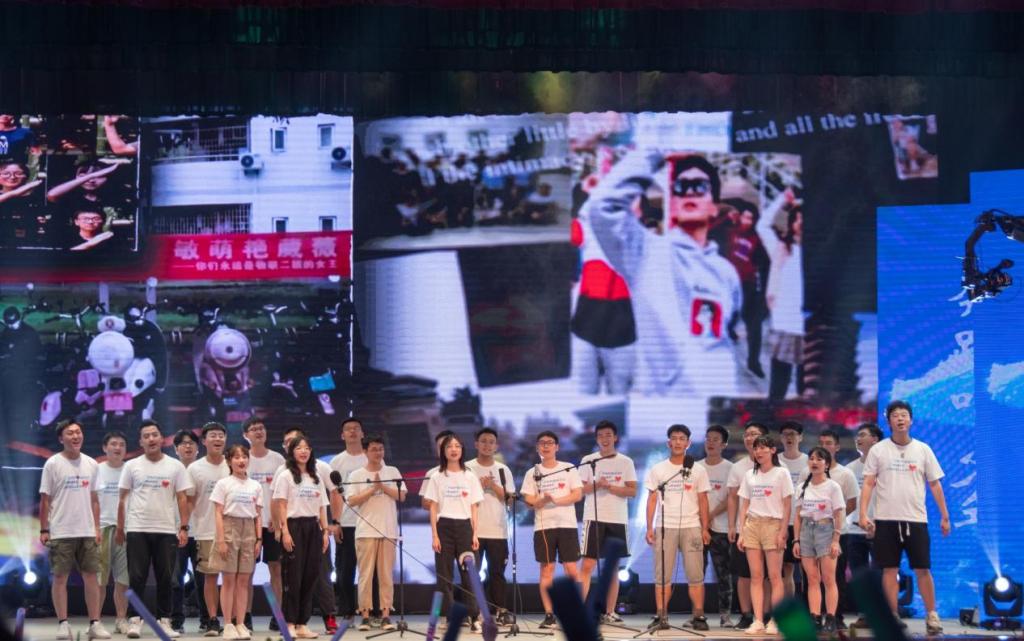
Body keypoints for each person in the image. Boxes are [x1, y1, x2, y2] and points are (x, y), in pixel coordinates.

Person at [584, 150, 743, 397]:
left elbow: (727, 332)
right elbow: (602, 207)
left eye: (700, 186)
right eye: (681, 187)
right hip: (666, 405)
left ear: (714, 208)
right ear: (673, 204)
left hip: (718, 404)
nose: (690, 192)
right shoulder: (644, 252)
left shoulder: (727, 272)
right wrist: (654, 151)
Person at [859, 400, 950, 636]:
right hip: (886, 519)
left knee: (923, 569)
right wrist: (863, 514)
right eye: (895, 415)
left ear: (910, 420)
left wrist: (945, 516)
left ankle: (932, 615)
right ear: (888, 421)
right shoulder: (879, 450)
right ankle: (893, 616)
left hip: (916, 520)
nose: (900, 419)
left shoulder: (923, 449)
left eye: (904, 415)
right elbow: (868, 483)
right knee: (889, 570)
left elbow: (935, 484)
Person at [117, 420, 192, 639]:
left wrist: (184, 527)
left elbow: (182, 498)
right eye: (146, 436)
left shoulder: (175, 466)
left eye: (154, 434)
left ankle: (164, 621)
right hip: (137, 528)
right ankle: (135, 620)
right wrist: (121, 528)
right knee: (136, 577)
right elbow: (122, 499)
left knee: (166, 578)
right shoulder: (132, 466)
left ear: (162, 438)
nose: (151, 439)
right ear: (140, 441)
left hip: (166, 530)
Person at [39, 419, 109, 641]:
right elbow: (45, 499)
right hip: (61, 530)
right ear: (61, 438)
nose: (76, 436)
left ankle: (95, 623)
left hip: (87, 531)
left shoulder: (91, 464)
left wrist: (97, 527)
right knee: (60, 577)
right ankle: (63, 624)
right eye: (70, 433)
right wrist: (44, 529)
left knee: (92, 577)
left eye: (78, 432)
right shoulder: (52, 464)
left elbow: (95, 499)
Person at [644, 424, 711, 631]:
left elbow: (703, 500)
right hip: (665, 526)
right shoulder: (659, 469)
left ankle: (698, 615)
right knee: (662, 575)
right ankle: (661, 615)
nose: (678, 442)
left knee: (695, 575)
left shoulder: (698, 470)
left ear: (688, 443)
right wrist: (649, 528)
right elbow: (652, 499)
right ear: (668, 443)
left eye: (682, 438)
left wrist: (705, 528)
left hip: (692, 526)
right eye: (674, 438)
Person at [276, 428, 341, 634]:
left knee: (311, 576)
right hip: (294, 526)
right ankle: (289, 623)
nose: (303, 451)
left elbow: (322, 506)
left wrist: (325, 531)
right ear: (292, 452)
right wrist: (285, 532)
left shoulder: (316, 477)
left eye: (307, 448)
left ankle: (302, 624)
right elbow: (281, 505)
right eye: (299, 448)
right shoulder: (285, 475)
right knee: (293, 578)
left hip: (314, 528)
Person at [520, 431, 583, 629]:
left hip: (566, 525)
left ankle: (576, 612)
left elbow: (577, 494)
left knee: (571, 569)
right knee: (547, 570)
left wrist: (555, 500)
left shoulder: (568, 468)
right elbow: (528, 501)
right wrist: (542, 501)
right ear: (537, 447)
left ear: (557, 447)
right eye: (542, 443)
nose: (546, 446)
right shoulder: (532, 473)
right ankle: (549, 614)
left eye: (550, 443)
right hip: (544, 526)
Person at [344, 434, 405, 632]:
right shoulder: (356, 475)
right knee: (365, 575)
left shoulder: (392, 471)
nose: (378, 453)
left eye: (381, 449)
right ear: (365, 451)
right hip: (365, 531)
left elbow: (402, 495)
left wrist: (383, 487)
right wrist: (372, 489)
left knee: (386, 575)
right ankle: (365, 616)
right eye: (373, 449)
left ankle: (386, 615)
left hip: (388, 530)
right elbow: (352, 500)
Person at [424, 434, 484, 632]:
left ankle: (474, 617)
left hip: (465, 527)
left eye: (457, 446)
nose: (454, 449)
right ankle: (449, 617)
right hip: (444, 527)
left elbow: (474, 507)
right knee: (444, 575)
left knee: (470, 575)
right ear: (443, 451)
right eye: (449, 446)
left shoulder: (470, 476)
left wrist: (475, 533)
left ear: (462, 450)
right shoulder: (437, 476)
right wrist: (435, 535)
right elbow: (433, 507)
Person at [578, 420, 637, 624]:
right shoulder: (588, 460)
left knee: (613, 568)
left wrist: (610, 487)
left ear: (616, 437)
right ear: (596, 439)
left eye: (608, 435)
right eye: (601, 435)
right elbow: (580, 490)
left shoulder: (626, 461)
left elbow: (632, 490)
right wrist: (597, 485)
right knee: (587, 565)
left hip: (617, 519)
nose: (605, 439)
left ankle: (610, 612)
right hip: (593, 518)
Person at [737, 434, 794, 636]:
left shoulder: (781, 473)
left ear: (772, 450)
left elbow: (787, 505)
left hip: (773, 524)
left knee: (775, 576)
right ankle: (758, 620)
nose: (759, 452)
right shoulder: (749, 475)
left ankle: (775, 620)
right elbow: (744, 504)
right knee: (756, 576)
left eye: (763, 448)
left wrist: (783, 530)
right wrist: (742, 531)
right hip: (752, 525)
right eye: (756, 448)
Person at [210, 445, 263, 641]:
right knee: (229, 579)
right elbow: (218, 512)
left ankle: (240, 623)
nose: (241, 460)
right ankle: (228, 624)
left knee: (244, 581)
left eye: (244, 457)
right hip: (229, 527)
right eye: (237, 457)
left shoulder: (255, 486)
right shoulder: (223, 484)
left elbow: (258, 515)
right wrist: (221, 539)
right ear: (229, 461)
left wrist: (259, 539)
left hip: (249, 530)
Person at [757, 190, 805, 402]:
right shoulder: (781, 249)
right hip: (784, 324)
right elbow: (762, 226)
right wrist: (782, 199)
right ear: (791, 222)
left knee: (806, 386)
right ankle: (773, 415)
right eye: (797, 219)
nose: (801, 224)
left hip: (809, 326)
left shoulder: (821, 251)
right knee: (779, 384)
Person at [810, 428, 859, 629]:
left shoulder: (845, 474)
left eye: (829, 443)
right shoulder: (808, 473)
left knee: (835, 577)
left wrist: (833, 523)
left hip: (838, 533)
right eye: (821, 443)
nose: (824, 446)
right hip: (811, 533)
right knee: (812, 577)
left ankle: (835, 617)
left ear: (837, 447)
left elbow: (852, 503)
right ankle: (814, 616)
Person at [792, 447, 845, 632]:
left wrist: (836, 539)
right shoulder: (802, 487)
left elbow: (838, 514)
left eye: (819, 459)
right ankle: (814, 617)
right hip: (806, 531)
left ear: (827, 464)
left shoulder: (833, 486)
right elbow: (797, 516)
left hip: (826, 530)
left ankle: (830, 618)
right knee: (812, 578)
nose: (814, 462)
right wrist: (796, 540)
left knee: (828, 578)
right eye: (812, 458)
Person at [466, 428, 515, 625]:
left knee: (497, 573)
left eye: (491, 442)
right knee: (472, 573)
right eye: (483, 441)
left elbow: (511, 499)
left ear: (497, 446)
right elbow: (461, 497)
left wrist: (493, 486)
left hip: (498, 530)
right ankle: (473, 612)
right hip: (473, 530)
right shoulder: (467, 468)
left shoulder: (503, 470)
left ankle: (501, 610)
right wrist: (479, 486)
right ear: (476, 444)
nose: (487, 445)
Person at [716, 198, 770, 378]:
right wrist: (726, 217)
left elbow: (765, 264)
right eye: (745, 217)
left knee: (755, 325)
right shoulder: (728, 232)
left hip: (748, 285)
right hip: (728, 284)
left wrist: (764, 293)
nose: (747, 222)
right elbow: (711, 229)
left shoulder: (757, 239)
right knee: (725, 320)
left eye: (751, 219)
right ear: (739, 217)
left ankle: (754, 361)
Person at [242, 417, 285, 631]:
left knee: (276, 569)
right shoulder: (242, 458)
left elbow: (283, 493)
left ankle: (278, 616)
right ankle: (245, 616)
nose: (258, 432)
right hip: (249, 524)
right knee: (247, 572)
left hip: (272, 524)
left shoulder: (278, 459)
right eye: (253, 429)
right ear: (245, 435)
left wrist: (278, 520)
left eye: (261, 428)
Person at [187, 422, 230, 637]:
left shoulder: (233, 463)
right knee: (210, 577)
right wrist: (184, 527)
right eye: (213, 435)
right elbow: (189, 501)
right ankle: (212, 620)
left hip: (233, 531)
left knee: (233, 578)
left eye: (221, 435)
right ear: (204, 441)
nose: (217, 439)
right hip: (206, 530)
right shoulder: (195, 468)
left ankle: (233, 620)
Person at [726, 421, 770, 630]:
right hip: (745, 527)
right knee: (744, 574)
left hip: (770, 527)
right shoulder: (738, 467)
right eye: (747, 435)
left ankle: (767, 615)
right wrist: (732, 526)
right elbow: (733, 498)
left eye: (754, 434)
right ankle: (746, 614)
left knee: (768, 575)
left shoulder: (778, 468)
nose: (750, 438)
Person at [328, 418, 368, 624]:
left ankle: (370, 610)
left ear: (362, 433)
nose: (352, 432)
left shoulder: (371, 459)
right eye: (348, 429)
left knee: (369, 570)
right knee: (345, 570)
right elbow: (333, 494)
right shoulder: (336, 462)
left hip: (368, 522)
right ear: (342, 435)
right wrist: (335, 522)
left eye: (356, 428)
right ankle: (347, 610)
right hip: (346, 522)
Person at [845, 422, 883, 629]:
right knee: (858, 575)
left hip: (880, 527)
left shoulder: (884, 466)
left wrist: (877, 521)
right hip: (854, 529)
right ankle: (864, 614)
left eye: (862, 435)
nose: (857, 438)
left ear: (875, 440)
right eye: (857, 436)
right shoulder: (850, 469)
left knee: (881, 573)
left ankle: (883, 615)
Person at [94, 431, 130, 635]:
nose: (118, 448)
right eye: (114, 444)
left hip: (126, 529)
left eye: (122, 444)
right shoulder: (96, 470)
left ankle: (121, 619)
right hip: (101, 529)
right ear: (104, 447)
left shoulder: (131, 470)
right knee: (99, 579)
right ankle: (95, 620)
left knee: (123, 579)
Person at [697, 424, 734, 627]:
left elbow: (731, 498)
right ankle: (697, 614)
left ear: (724, 444)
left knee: (723, 574)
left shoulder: (730, 468)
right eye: (708, 439)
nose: (710, 443)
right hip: (697, 527)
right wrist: (702, 519)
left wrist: (709, 515)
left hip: (721, 528)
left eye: (715, 439)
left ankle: (725, 616)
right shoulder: (695, 467)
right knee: (697, 574)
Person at [170, 429, 206, 633]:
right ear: (176, 449)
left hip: (201, 532)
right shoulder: (171, 470)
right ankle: (176, 621)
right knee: (176, 580)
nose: (188, 446)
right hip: (176, 533)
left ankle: (207, 620)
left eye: (191, 443)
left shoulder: (203, 470)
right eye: (183, 443)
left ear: (198, 448)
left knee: (203, 580)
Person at [777, 421, 808, 597]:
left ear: (800, 437)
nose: (789, 437)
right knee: (785, 570)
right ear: (780, 438)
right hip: (781, 523)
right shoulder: (774, 461)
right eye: (785, 434)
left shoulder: (809, 461)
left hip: (804, 523)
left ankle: (810, 608)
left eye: (793, 434)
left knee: (808, 569)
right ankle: (787, 608)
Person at [418, 429, 455, 508]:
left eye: (447, 446)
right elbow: (424, 504)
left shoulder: (469, 472)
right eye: (440, 447)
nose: (443, 450)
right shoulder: (431, 474)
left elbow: (476, 502)